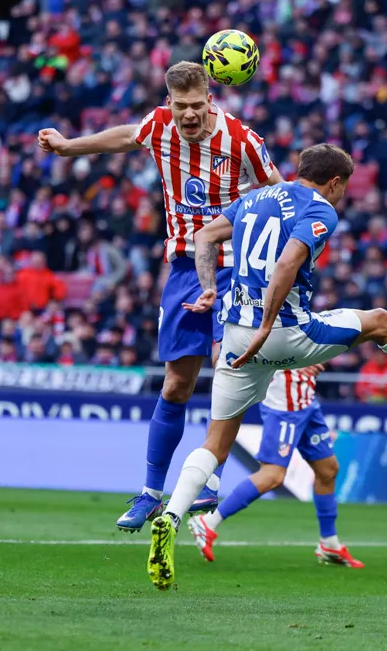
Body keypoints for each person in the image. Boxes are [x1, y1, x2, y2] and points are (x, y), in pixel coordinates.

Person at [147, 144, 387, 589]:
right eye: (344, 188)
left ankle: (171, 519)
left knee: (216, 443)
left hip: (234, 335)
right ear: (334, 183)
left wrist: (209, 288)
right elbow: (289, 262)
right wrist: (268, 325)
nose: (342, 196)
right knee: (380, 321)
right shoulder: (320, 209)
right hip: (282, 332)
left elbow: (203, 238)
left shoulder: (253, 197)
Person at [37, 60, 281, 531]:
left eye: (196, 106)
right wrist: (69, 148)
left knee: (224, 366)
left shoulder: (243, 140)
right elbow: (125, 135)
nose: (189, 115)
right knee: (176, 385)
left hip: (236, 267)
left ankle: (207, 480)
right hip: (185, 267)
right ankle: (151, 492)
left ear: (210, 100)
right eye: (180, 106)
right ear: (168, 103)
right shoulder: (159, 126)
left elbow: (279, 196)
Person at [188, 366, 365, 569]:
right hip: (284, 405)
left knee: (328, 469)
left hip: (306, 399)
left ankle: (329, 543)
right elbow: (271, 340)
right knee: (272, 474)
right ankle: (209, 521)